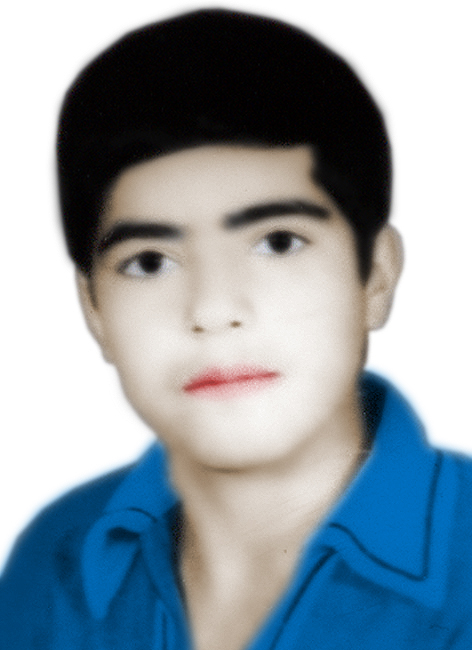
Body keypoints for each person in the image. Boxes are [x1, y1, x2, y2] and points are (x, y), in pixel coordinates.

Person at [1, 7, 471, 649]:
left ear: (377, 278)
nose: (213, 309)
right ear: (94, 310)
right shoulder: (54, 562)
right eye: (149, 261)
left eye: (278, 242)